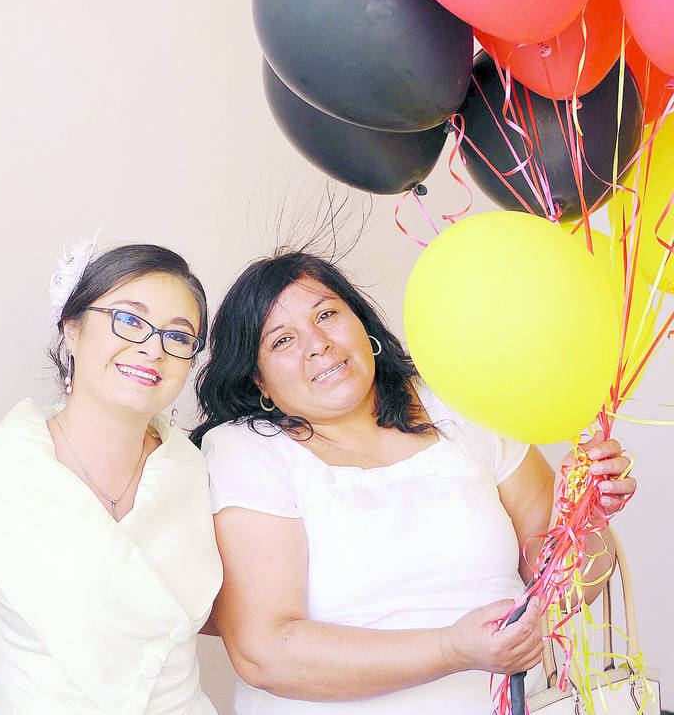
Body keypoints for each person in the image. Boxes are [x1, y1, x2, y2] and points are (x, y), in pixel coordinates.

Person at [191, 250, 636, 715]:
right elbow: (266, 653)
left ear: (362, 324)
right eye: (282, 340)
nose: (318, 344)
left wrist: (584, 518)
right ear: (259, 381)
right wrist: (452, 649)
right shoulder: (247, 449)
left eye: (327, 315)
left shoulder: (459, 403)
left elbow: (567, 587)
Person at [0, 243, 223, 714]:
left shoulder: (195, 468)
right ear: (72, 328)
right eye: (129, 319)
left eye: (178, 336)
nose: (152, 348)